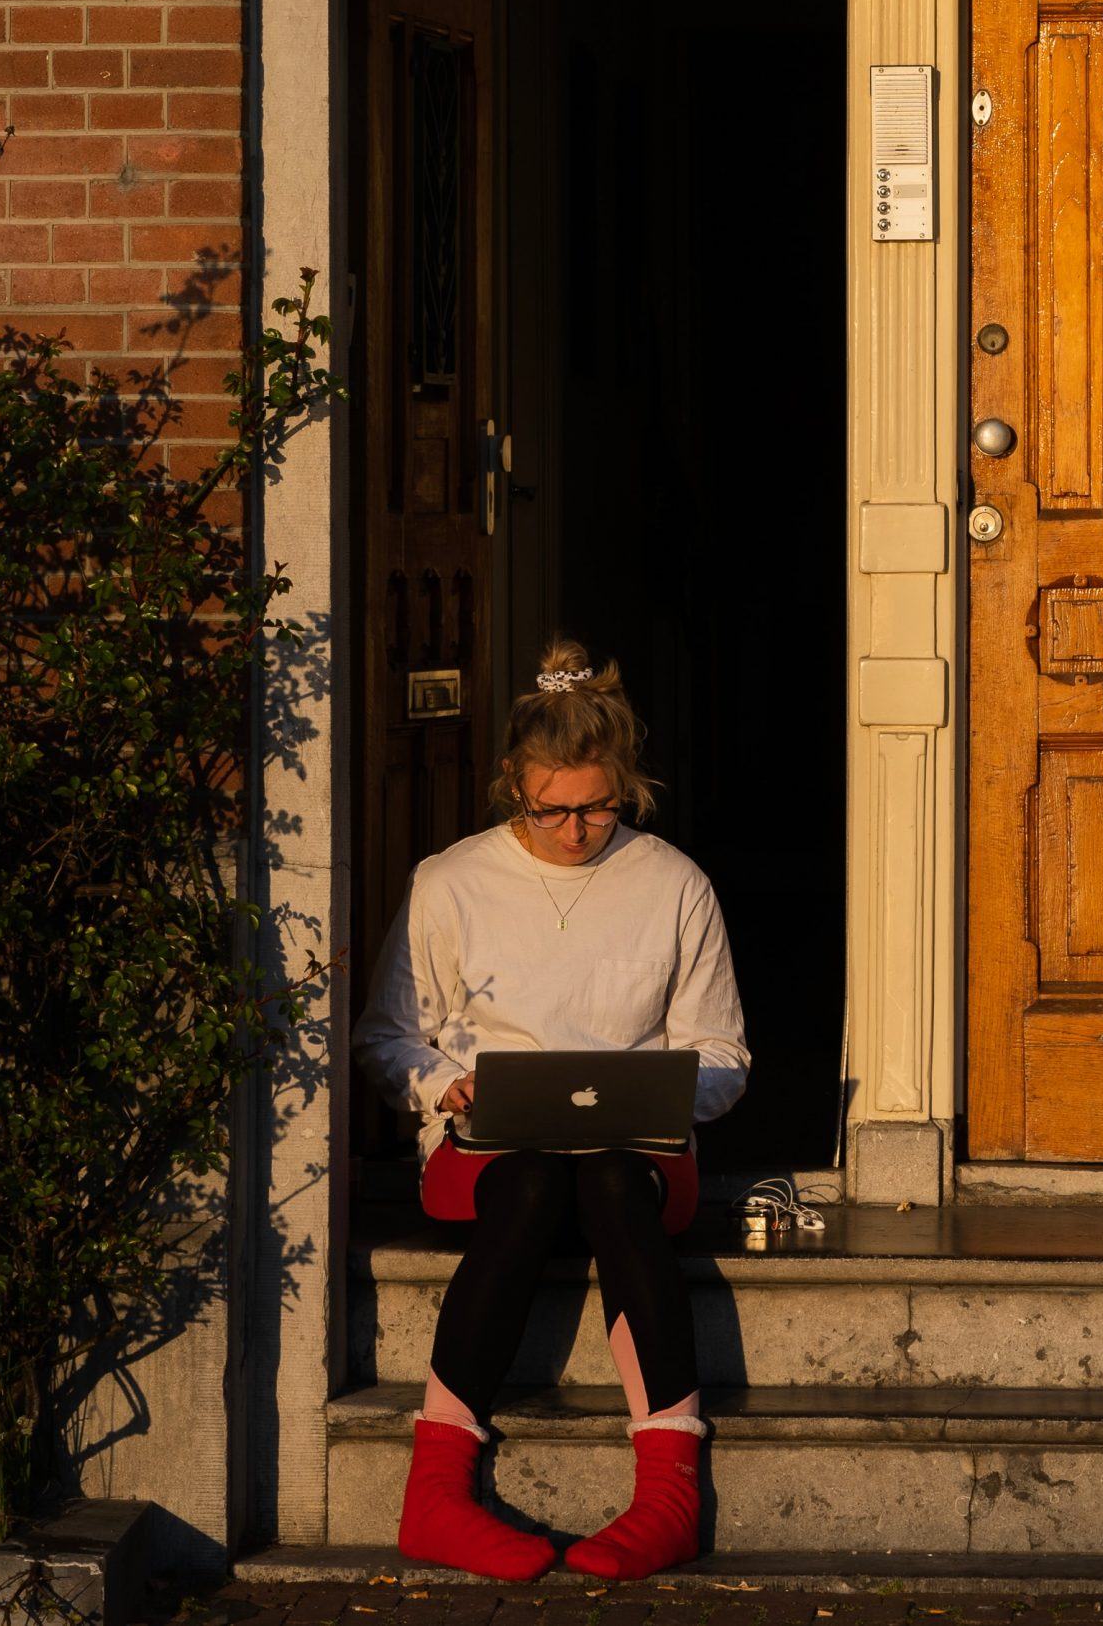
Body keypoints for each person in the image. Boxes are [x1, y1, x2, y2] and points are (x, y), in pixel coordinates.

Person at [353, 638, 750, 1583]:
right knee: (532, 1183)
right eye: (552, 811)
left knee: (613, 1181)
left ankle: (668, 1495)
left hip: (636, 1154)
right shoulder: (449, 882)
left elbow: (725, 1053)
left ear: (628, 785)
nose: (576, 831)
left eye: (598, 807)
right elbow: (384, 1036)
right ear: (511, 789)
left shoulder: (674, 883)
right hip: (492, 1155)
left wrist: (666, 1091)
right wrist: (445, 1086)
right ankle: (436, 1494)